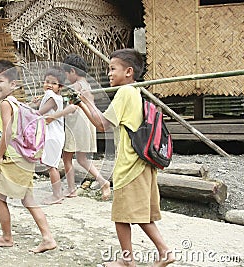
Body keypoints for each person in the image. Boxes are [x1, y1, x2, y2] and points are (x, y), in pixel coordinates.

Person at [74, 49, 175, 267]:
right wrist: (83, 103)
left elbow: (102, 124)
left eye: (112, 69)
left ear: (128, 72)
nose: (108, 74)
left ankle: (134, 258)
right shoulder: (134, 93)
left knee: (122, 215)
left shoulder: (125, 93)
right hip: (142, 164)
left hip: (130, 165)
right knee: (138, 213)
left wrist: (87, 100)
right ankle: (158, 253)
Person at [0, 59, 57, 253]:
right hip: (22, 158)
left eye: (0, 81)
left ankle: (7, 237)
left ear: (13, 84)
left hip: (13, 159)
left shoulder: (6, 104)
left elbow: (8, 132)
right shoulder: (16, 103)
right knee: (27, 200)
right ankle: (47, 238)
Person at [62, 54, 111, 200]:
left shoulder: (74, 87)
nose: (66, 78)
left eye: (66, 74)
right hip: (88, 122)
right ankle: (103, 181)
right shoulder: (87, 85)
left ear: (72, 71)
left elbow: (72, 107)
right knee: (82, 158)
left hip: (77, 124)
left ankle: (71, 189)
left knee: (67, 157)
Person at [34, 66, 70, 205]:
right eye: (47, 81)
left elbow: (40, 113)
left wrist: (24, 112)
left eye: (53, 83)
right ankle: (57, 194)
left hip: (52, 136)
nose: (49, 85)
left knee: (51, 166)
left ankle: (57, 195)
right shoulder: (55, 96)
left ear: (60, 86)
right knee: (51, 164)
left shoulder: (51, 97)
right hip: (55, 135)